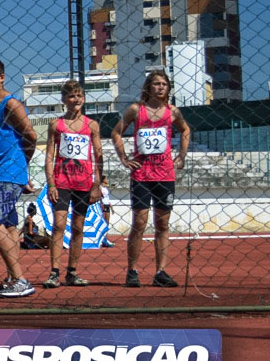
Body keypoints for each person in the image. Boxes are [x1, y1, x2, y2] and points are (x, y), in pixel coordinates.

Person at [110, 70, 191, 288]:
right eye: (156, 83)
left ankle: (160, 271)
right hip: (142, 174)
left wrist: (181, 156)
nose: (161, 87)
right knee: (139, 222)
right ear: (149, 87)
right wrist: (124, 158)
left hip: (165, 173)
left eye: (164, 84)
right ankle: (132, 271)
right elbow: (116, 132)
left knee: (162, 223)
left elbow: (185, 130)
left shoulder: (172, 112)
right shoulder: (136, 110)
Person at [0, 58, 38, 298]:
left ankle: (21, 279)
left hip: (8, 172)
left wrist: (21, 168)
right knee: (10, 225)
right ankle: (13, 278)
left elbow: (31, 136)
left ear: (2, 77)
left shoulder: (10, 104)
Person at [42, 80, 103, 288]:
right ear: (64, 100)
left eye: (79, 95)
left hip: (84, 183)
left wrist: (97, 184)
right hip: (62, 181)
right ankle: (54, 272)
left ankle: (72, 272)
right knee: (59, 225)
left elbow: (98, 156)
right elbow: (49, 156)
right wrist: (51, 184)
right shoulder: (56, 125)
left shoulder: (91, 125)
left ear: (84, 99)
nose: (76, 99)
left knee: (78, 226)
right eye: (71, 96)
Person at [99, 174, 115, 246]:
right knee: (103, 222)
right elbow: (100, 197)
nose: (107, 180)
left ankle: (105, 238)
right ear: (103, 180)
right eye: (106, 179)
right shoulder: (100, 188)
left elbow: (107, 198)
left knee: (107, 223)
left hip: (107, 205)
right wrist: (101, 203)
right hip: (103, 205)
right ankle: (102, 239)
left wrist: (112, 207)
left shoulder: (106, 188)